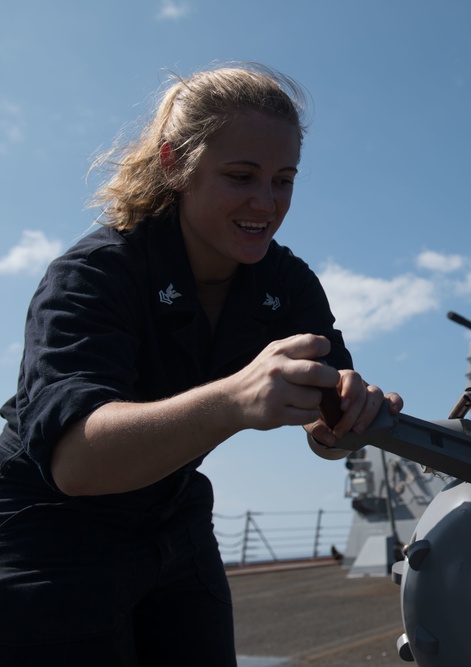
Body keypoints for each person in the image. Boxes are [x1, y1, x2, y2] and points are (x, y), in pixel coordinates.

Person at [0, 63, 401, 665]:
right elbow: (75, 462)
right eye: (241, 176)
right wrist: (234, 400)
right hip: (51, 527)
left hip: (174, 516)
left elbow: (326, 427)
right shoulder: (94, 276)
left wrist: (346, 418)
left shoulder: (286, 282)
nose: (266, 203)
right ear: (174, 164)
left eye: (284, 180)